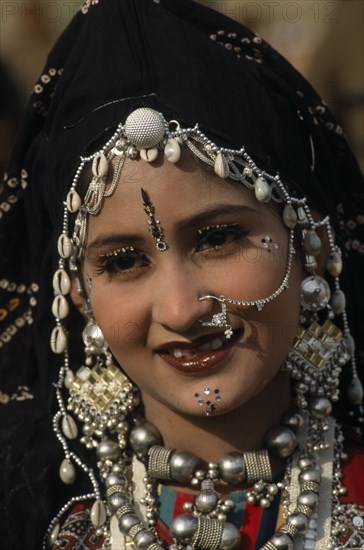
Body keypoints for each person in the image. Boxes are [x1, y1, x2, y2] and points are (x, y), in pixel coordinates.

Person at [0, 1, 363, 549]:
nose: (181, 309)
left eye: (218, 239)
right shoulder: (27, 513)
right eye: (123, 261)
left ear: (312, 246)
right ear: (76, 291)